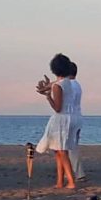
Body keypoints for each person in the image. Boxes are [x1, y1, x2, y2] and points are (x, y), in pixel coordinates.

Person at [35, 54, 78, 189]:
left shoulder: (58, 86)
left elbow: (58, 108)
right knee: (58, 150)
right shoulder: (67, 82)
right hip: (70, 117)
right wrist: (46, 88)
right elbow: (54, 84)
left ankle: (71, 181)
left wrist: (48, 96)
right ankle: (60, 181)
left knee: (62, 151)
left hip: (61, 119)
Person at [67, 63, 86, 181]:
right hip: (77, 117)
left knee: (71, 147)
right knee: (72, 146)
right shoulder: (77, 85)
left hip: (71, 118)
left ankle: (78, 173)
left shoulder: (70, 85)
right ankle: (73, 171)